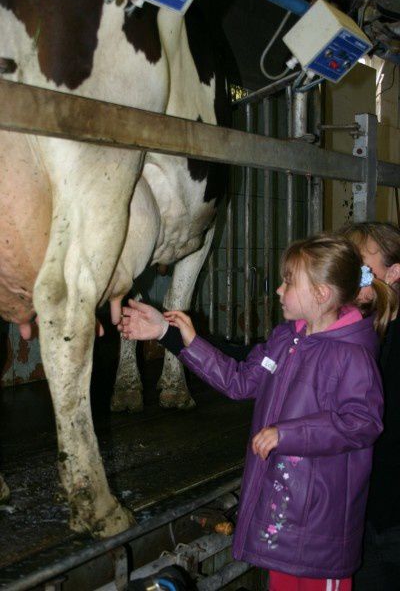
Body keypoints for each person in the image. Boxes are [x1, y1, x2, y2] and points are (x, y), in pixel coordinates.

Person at [119, 234, 391, 591]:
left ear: (321, 294)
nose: (279, 290)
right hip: (281, 516)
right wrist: (172, 334)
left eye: (289, 282)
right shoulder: (285, 339)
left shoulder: (352, 355)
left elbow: (362, 423)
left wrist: (287, 433)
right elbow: (241, 381)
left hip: (318, 531)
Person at [340, 222, 400, 591]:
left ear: (394, 273)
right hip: (365, 520)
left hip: (388, 524)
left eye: (361, 267)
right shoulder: (355, 333)